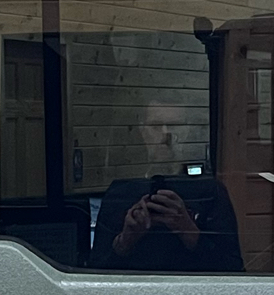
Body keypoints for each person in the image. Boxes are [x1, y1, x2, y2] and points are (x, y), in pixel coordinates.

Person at [90, 94, 243, 272]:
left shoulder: (210, 192)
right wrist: (127, 238)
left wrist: (188, 230)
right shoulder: (121, 193)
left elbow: (233, 270)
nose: (165, 134)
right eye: (156, 126)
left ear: (185, 131)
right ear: (143, 130)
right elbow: (95, 270)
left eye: (174, 126)